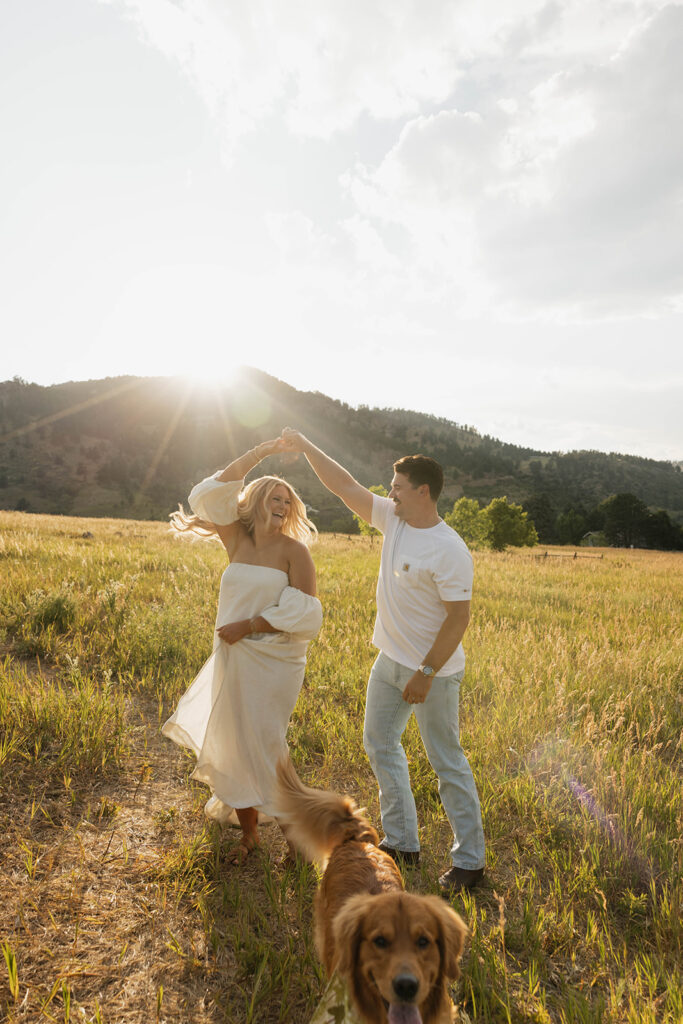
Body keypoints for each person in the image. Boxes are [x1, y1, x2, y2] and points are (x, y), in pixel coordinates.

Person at [279, 428, 485, 893]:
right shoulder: (393, 519)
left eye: (396, 487)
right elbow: (345, 485)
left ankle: (471, 860)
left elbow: (458, 619)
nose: (388, 493)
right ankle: (402, 842)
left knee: (446, 761)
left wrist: (427, 674)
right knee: (380, 744)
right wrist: (309, 447)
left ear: (422, 491)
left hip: (436, 673)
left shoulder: (450, 549)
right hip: (389, 662)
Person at [162, 438, 322, 865]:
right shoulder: (235, 537)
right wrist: (263, 452)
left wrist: (249, 625)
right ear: (255, 501)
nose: (282, 506)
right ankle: (249, 835)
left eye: (287, 501)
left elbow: (306, 614)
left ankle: (296, 839)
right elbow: (207, 491)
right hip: (231, 654)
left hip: (272, 661)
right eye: (274, 497)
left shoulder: (295, 552)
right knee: (233, 741)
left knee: (267, 745)